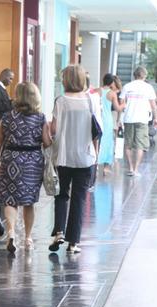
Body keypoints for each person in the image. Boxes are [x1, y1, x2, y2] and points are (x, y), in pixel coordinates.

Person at [0, 82, 52, 254]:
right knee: (29, 202)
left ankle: (11, 233)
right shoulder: (40, 118)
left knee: (10, 199)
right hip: (32, 161)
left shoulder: (6, 117)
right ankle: (27, 237)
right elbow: (47, 143)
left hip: (11, 159)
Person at [48, 64, 99, 255]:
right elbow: (97, 132)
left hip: (64, 156)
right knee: (79, 199)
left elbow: (53, 130)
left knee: (61, 195)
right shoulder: (92, 100)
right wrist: (96, 156)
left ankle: (59, 232)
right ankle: (73, 243)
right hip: (85, 157)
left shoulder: (61, 101)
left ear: (66, 80)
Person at [120, 66, 157, 177]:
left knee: (128, 144)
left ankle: (131, 168)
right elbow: (153, 105)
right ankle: (136, 170)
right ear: (144, 75)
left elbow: (122, 103)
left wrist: (119, 119)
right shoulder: (148, 87)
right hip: (142, 119)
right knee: (140, 145)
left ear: (134, 75)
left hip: (128, 118)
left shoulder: (127, 86)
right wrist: (155, 118)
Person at [98, 73, 126, 175]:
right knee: (108, 142)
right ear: (111, 83)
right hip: (107, 120)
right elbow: (118, 108)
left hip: (97, 119)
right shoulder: (112, 93)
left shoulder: (97, 91)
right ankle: (106, 167)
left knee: (97, 141)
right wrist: (124, 104)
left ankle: (95, 164)